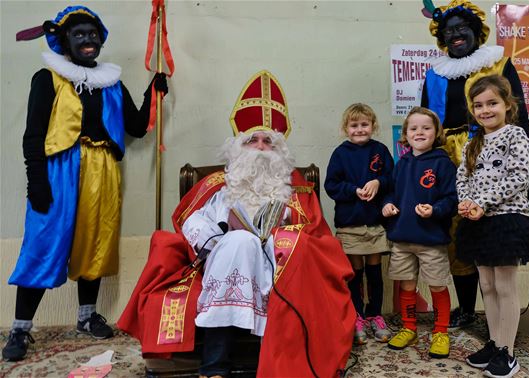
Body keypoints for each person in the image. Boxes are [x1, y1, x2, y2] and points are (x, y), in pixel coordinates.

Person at [118, 70, 355, 378]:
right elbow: (192, 222)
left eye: (267, 141)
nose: (259, 147)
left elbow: (316, 236)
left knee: (250, 245)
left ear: (279, 149)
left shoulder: (296, 188)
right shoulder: (219, 184)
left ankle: (227, 365)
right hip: (221, 259)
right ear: (238, 147)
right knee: (238, 243)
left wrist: (279, 236)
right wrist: (217, 237)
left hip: (278, 265)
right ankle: (217, 365)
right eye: (252, 140)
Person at [2, 5, 167, 362]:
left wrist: (153, 92)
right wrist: (37, 183)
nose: (88, 40)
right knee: (44, 244)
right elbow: (33, 136)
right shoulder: (47, 79)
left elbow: (136, 127)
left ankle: (86, 317)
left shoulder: (111, 83)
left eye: (92, 34)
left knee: (95, 241)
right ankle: (20, 328)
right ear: (65, 41)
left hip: (103, 170)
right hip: (59, 168)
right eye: (79, 35)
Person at [420, 0, 529, 329]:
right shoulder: (435, 74)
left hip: (494, 154)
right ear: (442, 38)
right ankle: (468, 309)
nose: (456, 34)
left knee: (491, 234)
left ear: (476, 31)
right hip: (449, 159)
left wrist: (527, 174)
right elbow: (427, 123)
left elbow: (521, 115)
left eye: (462, 28)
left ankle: (498, 321)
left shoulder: (499, 65)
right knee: (457, 236)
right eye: (449, 30)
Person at [456, 75, 529, 378]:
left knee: (504, 286)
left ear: (507, 104)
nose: (485, 110)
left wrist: (483, 203)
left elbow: (518, 178)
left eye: (492, 103)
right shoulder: (472, 142)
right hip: (478, 221)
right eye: (478, 105)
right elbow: (462, 177)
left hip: (507, 220)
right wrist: (466, 203)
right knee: (487, 285)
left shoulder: (516, 135)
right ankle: (494, 342)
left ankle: (508, 352)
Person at [381, 106, 457, 358]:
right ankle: (409, 327)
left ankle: (441, 331)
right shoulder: (401, 163)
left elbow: (451, 199)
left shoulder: (442, 163)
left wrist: (434, 210)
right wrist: (387, 204)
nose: (419, 132)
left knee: (437, 285)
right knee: (407, 285)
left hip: (431, 239)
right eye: (413, 128)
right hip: (402, 238)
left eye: (426, 128)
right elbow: (391, 191)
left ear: (436, 132)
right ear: (405, 133)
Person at [324, 103, 393, 345]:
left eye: (365, 124)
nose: (360, 129)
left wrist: (378, 183)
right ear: (346, 128)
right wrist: (353, 190)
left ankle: (375, 314)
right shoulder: (340, 154)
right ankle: (357, 316)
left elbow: (392, 179)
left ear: (373, 126)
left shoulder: (381, 150)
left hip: (374, 223)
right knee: (354, 272)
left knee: (375, 271)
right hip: (350, 224)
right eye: (354, 125)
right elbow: (331, 185)